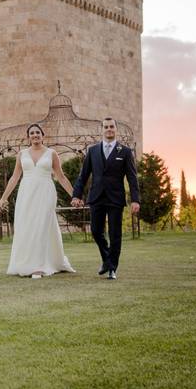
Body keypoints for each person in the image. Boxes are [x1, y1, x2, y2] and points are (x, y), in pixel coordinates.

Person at [0, 124, 76, 277]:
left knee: (42, 225)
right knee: (27, 226)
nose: (35, 135)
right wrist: (3, 198)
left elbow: (61, 177)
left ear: (42, 135)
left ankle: (39, 266)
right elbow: (14, 178)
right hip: (26, 193)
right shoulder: (21, 154)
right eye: (32, 133)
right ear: (28, 137)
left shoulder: (52, 153)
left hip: (46, 192)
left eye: (38, 132)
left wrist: (75, 195)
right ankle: (27, 262)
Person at [71, 117, 140, 280]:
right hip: (96, 197)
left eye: (112, 127)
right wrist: (76, 195)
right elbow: (83, 175)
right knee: (96, 231)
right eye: (106, 127)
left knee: (115, 234)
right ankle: (106, 259)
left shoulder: (125, 151)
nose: (109, 129)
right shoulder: (92, 150)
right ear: (101, 130)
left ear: (116, 130)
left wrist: (135, 200)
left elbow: (132, 178)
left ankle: (112, 268)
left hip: (115, 198)